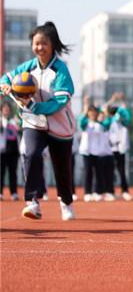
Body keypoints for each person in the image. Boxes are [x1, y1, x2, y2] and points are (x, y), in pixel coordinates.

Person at [0, 21, 77, 220]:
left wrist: (35, 106)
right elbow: (4, 79)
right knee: (30, 154)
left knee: (62, 167)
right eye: (36, 43)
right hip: (33, 122)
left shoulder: (60, 70)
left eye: (44, 43)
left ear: (52, 45)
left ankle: (66, 202)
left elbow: (61, 100)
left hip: (60, 125)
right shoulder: (28, 67)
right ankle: (33, 202)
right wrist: (6, 87)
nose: (39, 48)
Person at [105, 93, 132, 201]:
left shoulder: (123, 121)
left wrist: (121, 101)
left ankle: (125, 191)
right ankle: (110, 192)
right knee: (110, 171)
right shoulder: (108, 120)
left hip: (120, 148)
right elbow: (105, 109)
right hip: (109, 149)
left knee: (122, 171)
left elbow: (125, 112)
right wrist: (112, 99)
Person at [1, 100, 21, 201]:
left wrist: (19, 125)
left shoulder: (14, 121)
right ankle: (0, 193)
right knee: (1, 172)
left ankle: (14, 193)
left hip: (14, 150)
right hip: (2, 151)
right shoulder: (1, 121)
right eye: (4, 108)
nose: (6, 109)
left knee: (13, 172)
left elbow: (20, 130)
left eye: (8, 108)